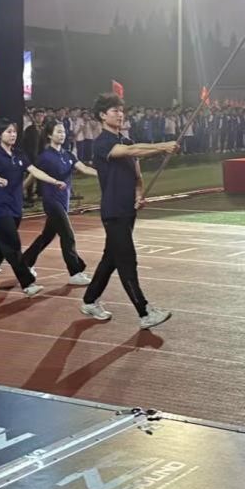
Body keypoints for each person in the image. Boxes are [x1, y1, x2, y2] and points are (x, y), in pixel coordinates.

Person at [80, 93, 174, 328]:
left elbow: (137, 175)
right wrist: (163, 146)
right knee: (127, 260)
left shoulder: (127, 141)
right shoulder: (102, 143)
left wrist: (138, 194)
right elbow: (132, 152)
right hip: (113, 211)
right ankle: (144, 312)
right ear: (102, 116)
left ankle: (89, 301)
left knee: (110, 258)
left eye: (121, 111)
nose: (120, 115)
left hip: (127, 210)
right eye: (115, 111)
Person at [0, 118, 63, 296]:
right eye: (8, 132)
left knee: (0, 243)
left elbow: (34, 171)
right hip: (0, 207)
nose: (13, 135)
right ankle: (27, 282)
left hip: (16, 206)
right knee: (13, 243)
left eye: (14, 132)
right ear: (0, 134)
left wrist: (54, 181)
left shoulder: (19, 154)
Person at [23, 118, 94, 286]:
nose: (62, 135)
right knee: (67, 235)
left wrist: (104, 174)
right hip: (51, 201)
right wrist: (19, 190)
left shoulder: (68, 154)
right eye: (58, 132)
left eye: (63, 132)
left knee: (47, 236)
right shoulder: (45, 157)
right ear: (49, 135)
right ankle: (75, 272)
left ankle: (25, 262)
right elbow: (33, 175)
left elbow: (84, 168)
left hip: (64, 200)